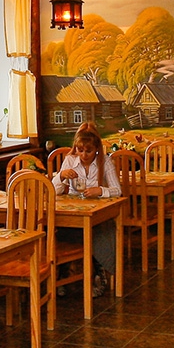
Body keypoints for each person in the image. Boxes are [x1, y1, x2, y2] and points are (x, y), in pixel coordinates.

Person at [51, 123, 121, 296]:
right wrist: (61, 176)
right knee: (60, 229)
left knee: (101, 231)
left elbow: (117, 191)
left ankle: (98, 272)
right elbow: (53, 191)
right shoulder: (70, 160)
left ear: (96, 149)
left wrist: (100, 191)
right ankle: (63, 274)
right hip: (74, 213)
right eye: (80, 150)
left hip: (98, 214)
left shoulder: (105, 161)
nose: (83, 155)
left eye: (88, 151)